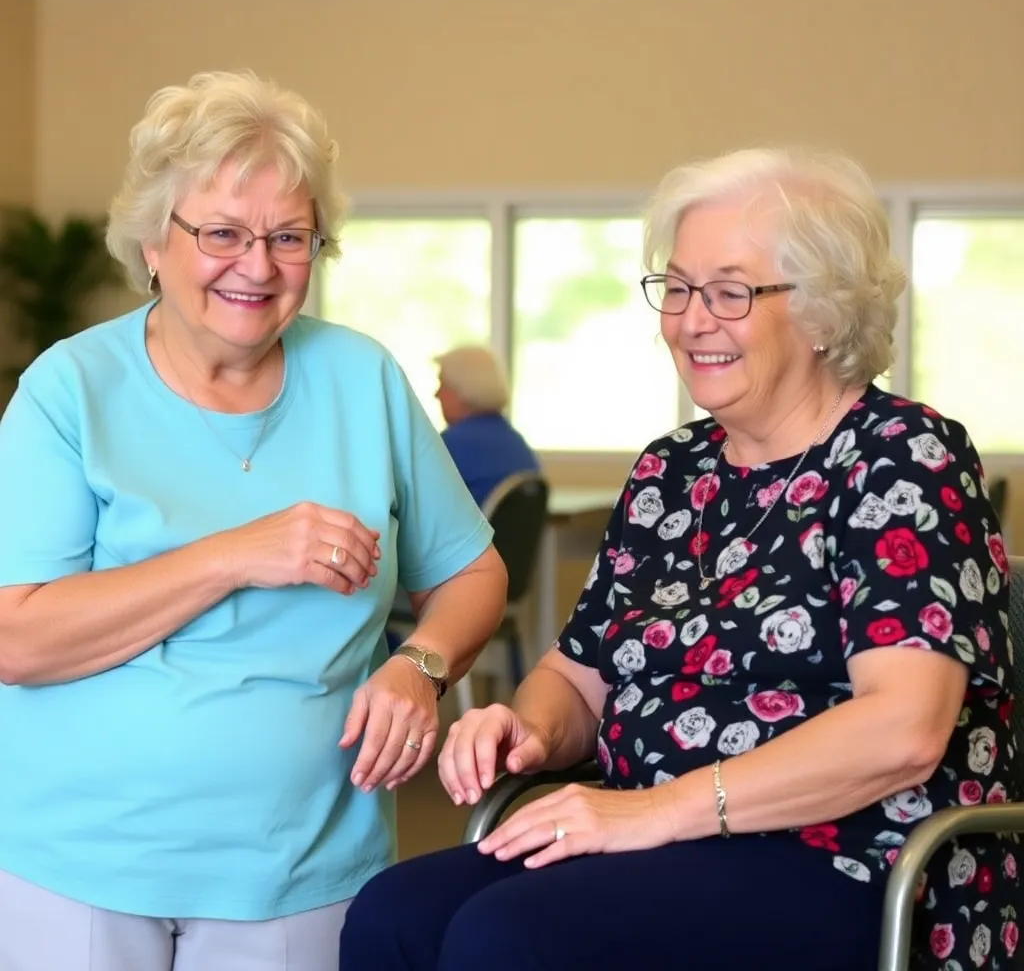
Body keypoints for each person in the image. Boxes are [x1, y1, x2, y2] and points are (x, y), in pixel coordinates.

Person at [339, 146, 1019, 971]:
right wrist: (526, 727)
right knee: (393, 916)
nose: (693, 319)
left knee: (511, 939)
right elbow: (577, 678)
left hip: (850, 859)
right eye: (679, 288)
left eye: (731, 292)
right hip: (654, 835)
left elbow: (903, 730)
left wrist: (656, 812)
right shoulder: (673, 470)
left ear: (823, 309)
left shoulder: (901, 455)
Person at [0, 70, 507, 971]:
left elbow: (473, 574)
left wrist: (419, 667)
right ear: (155, 241)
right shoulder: (68, 391)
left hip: (303, 861)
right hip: (78, 859)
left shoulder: (363, 381)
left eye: (289, 237)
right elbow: (17, 638)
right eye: (223, 233)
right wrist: (235, 554)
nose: (259, 265)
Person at [434, 344, 540, 508]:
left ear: (462, 390)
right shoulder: (514, 441)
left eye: (442, 384)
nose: (436, 394)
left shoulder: (451, 445)